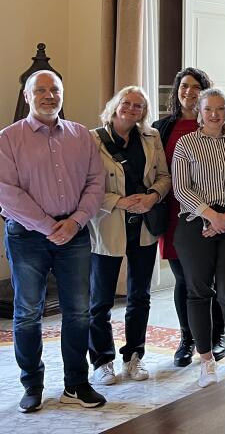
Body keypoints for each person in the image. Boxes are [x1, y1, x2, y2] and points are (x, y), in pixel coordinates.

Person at [0, 71, 106, 412]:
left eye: (55, 89)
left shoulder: (81, 135)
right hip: (26, 236)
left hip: (74, 233)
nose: (49, 95)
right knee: (28, 313)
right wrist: (49, 226)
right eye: (41, 90)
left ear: (62, 94)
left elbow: (96, 183)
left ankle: (76, 384)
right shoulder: (8, 139)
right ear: (27, 97)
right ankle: (32, 384)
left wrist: (75, 222)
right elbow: (6, 193)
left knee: (78, 311)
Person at [87, 86, 171, 387]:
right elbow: (86, 184)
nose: (131, 109)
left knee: (140, 296)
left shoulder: (151, 137)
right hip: (108, 224)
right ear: (115, 105)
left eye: (139, 106)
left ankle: (134, 355)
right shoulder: (93, 139)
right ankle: (102, 361)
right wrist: (118, 202)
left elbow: (164, 176)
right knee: (100, 300)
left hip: (143, 224)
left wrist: (152, 196)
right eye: (127, 103)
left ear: (144, 112)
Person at [171, 87, 225, 388]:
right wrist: (211, 216)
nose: (215, 114)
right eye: (209, 109)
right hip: (195, 224)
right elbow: (181, 188)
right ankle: (206, 361)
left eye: (220, 109)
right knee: (198, 292)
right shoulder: (186, 144)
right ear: (200, 112)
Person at [152, 67, 225, 366]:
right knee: (184, 278)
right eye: (184, 86)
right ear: (177, 90)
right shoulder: (161, 128)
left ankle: (216, 336)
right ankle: (187, 338)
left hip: (213, 214)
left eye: (196, 87)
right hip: (175, 214)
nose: (189, 92)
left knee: (212, 278)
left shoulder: (220, 124)